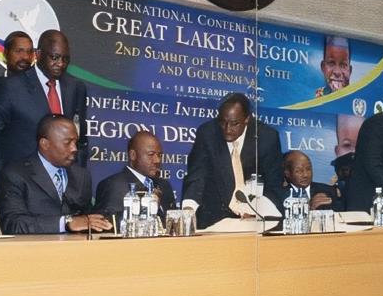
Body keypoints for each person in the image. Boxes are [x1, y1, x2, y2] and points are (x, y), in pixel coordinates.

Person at [0, 30, 87, 196]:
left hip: (63, 190)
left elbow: (81, 140)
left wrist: (77, 183)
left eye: (65, 59)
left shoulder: (75, 88)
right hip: (18, 189)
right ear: (38, 54)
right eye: (55, 57)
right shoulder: (10, 87)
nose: (60, 64)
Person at [181, 93, 284, 229]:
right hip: (214, 216)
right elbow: (197, 175)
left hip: (255, 215)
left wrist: (257, 209)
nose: (227, 129)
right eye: (222, 122)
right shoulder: (207, 133)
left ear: (247, 119)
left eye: (234, 123)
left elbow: (273, 183)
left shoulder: (266, 137)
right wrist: (189, 209)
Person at [0, 115, 111, 235]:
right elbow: (14, 224)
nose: (74, 148)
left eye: (75, 142)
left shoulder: (81, 175)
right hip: (34, 246)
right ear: (45, 144)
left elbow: (87, 219)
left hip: (75, 245)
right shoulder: (15, 174)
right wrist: (65, 223)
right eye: (67, 143)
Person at [93, 131, 176, 221]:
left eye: (159, 155)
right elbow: (109, 224)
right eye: (151, 154)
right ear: (133, 155)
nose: (157, 160)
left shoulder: (164, 185)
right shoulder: (113, 185)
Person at [267, 151, 342, 213]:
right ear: (287, 173)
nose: (305, 175)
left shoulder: (328, 191)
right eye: (299, 171)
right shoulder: (277, 196)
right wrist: (308, 208)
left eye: (308, 169)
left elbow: (340, 217)